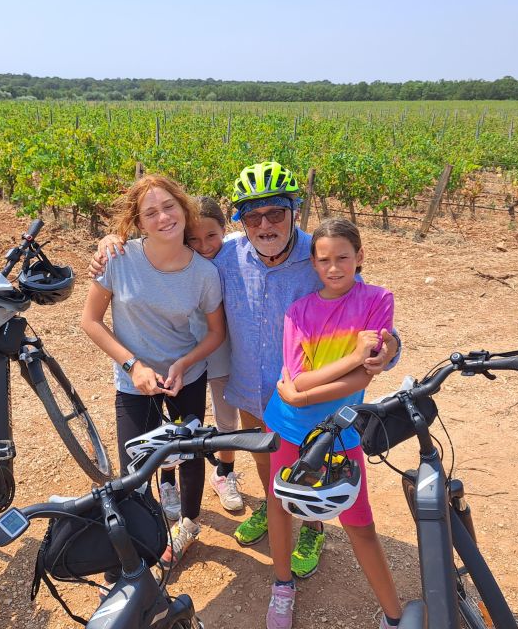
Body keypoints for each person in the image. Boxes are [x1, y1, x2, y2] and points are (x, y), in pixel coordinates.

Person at [88, 161, 400, 580]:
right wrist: (114, 240)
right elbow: (172, 248)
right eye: (253, 216)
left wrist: (391, 348)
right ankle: (275, 508)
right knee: (263, 456)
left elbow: (367, 306)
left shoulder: (317, 254)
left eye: (276, 213)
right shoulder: (225, 256)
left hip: (308, 396)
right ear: (241, 221)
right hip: (251, 386)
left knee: (314, 461)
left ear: (294, 211)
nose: (265, 224)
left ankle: (311, 526)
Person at [80, 174, 225, 568]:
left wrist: (184, 363)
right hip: (133, 382)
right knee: (134, 466)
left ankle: (188, 527)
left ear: (184, 208)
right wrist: (133, 364)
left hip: (185, 379)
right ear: (139, 222)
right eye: (151, 212)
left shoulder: (204, 274)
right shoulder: (118, 259)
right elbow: (90, 321)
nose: (163, 217)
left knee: (190, 456)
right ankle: (144, 536)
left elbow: (215, 333)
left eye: (169, 206)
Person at [263, 218, 402, 629]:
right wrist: (354, 356)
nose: (335, 267)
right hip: (287, 425)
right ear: (314, 264)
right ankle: (282, 586)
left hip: (341, 430)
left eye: (344, 257)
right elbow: (300, 377)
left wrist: (306, 392)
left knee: (359, 523)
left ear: (359, 257)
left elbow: (364, 378)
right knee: (280, 505)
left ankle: (394, 616)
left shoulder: (379, 299)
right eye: (324, 260)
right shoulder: (299, 311)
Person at [158, 196, 246, 517]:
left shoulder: (238, 249)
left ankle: (224, 473)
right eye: (193, 238)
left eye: (211, 236)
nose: (203, 244)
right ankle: (168, 479)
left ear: (225, 230)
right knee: (178, 420)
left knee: (227, 417)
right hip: (182, 350)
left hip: (222, 350)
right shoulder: (172, 258)